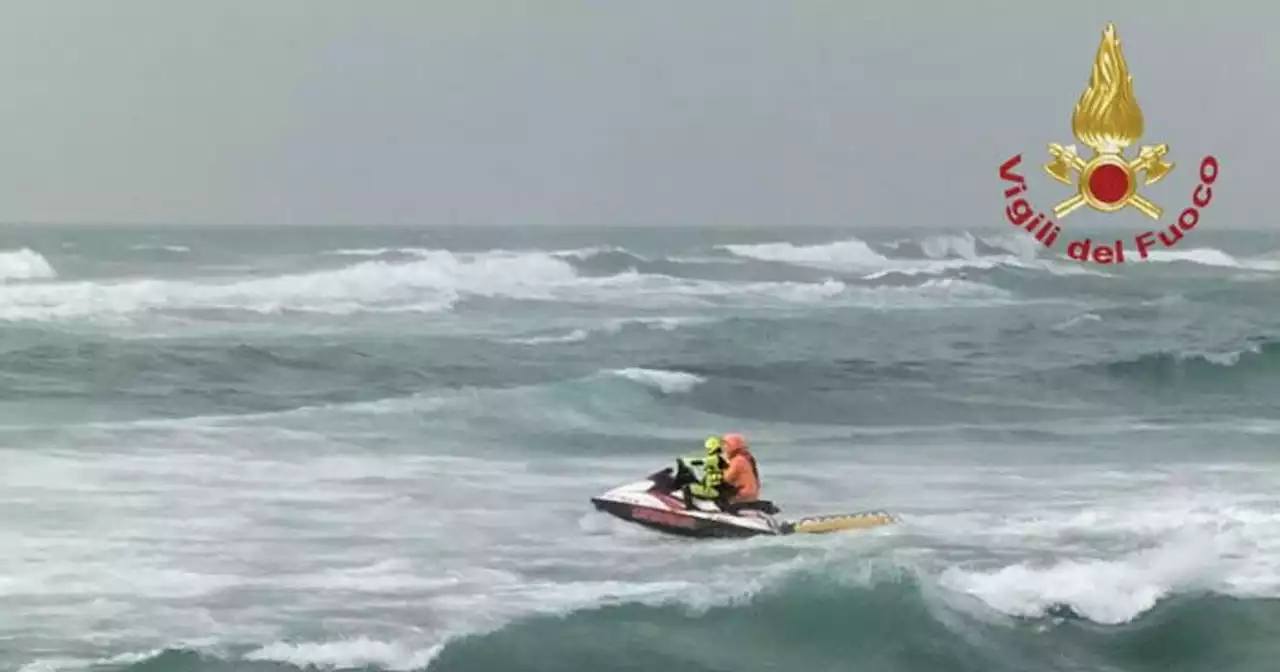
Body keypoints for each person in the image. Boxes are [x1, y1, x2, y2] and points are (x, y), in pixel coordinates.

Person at [677, 436, 726, 507]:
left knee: (686, 487)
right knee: (695, 484)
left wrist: (684, 460)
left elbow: (700, 462)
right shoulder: (720, 459)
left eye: (708, 448)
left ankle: (689, 507)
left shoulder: (714, 458)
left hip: (711, 490)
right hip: (716, 488)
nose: (707, 449)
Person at [719, 433, 761, 508]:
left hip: (743, 495)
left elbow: (727, 479)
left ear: (733, 446)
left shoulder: (738, 461)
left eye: (726, 445)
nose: (723, 448)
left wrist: (721, 470)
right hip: (752, 494)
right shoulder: (746, 458)